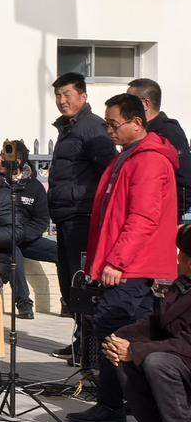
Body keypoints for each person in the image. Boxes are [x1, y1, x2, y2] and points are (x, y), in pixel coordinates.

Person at [70, 93, 181, 422]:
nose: (108, 131)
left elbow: (143, 217)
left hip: (135, 266)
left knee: (117, 332)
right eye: (107, 124)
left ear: (136, 122)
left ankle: (123, 406)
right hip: (127, 264)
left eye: (114, 124)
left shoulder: (149, 160)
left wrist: (117, 261)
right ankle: (117, 403)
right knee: (117, 332)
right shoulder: (129, 157)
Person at [105, 225, 191, 422]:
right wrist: (121, 337)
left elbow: (186, 344)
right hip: (181, 355)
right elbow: (157, 322)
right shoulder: (182, 284)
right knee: (122, 353)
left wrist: (135, 350)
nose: (177, 260)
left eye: (181, 256)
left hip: (184, 356)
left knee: (157, 362)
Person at [49, 72, 119, 322]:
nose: (62, 101)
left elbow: (109, 172)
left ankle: (87, 336)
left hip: (82, 215)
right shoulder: (69, 127)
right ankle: (80, 335)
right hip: (66, 214)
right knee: (70, 283)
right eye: (58, 95)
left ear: (83, 96)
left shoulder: (91, 127)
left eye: (67, 94)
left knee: (81, 283)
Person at [0, 140, 50, 321]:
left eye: (5, 156)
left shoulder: (34, 186)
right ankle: (23, 303)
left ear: (19, 161)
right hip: (5, 238)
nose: (0, 160)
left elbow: (41, 220)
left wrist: (23, 235)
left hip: (27, 238)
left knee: (62, 252)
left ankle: (68, 302)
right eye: (0, 156)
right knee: (14, 253)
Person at [127, 77, 191, 218]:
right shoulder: (139, 131)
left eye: (129, 102)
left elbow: (184, 178)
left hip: (161, 215)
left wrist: (174, 215)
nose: (124, 106)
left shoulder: (168, 131)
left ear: (145, 104)